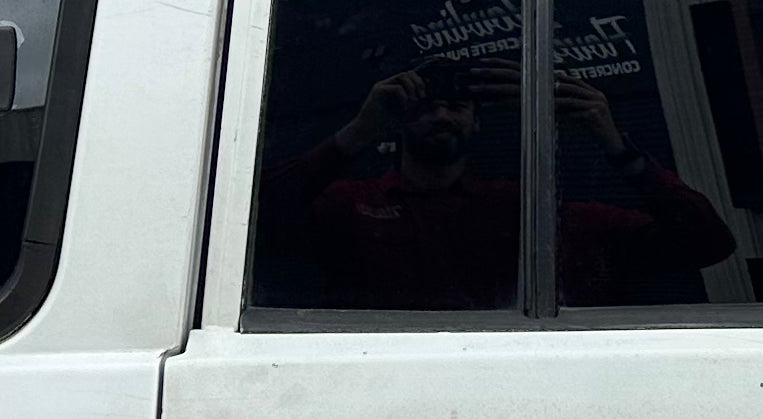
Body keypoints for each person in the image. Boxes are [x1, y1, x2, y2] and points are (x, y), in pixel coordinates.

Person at [263, 57, 737, 309]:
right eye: (426, 105)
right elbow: (250, 225)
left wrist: (613, 140)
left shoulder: (530, 213)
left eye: (457, 106)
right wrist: (356, 133)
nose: (442, 115)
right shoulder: (348, 207)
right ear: (398, 121)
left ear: (477, 124)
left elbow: (706, 243)